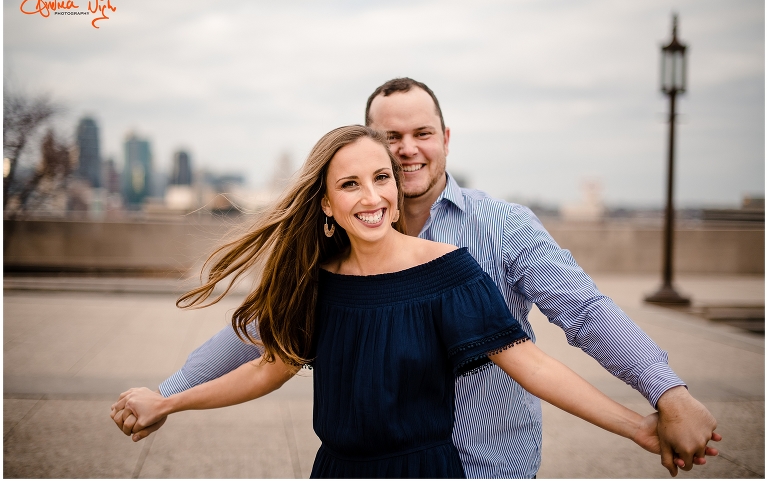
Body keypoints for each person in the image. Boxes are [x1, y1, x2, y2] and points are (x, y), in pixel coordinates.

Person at [112, 78, 720, 478]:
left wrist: (660, 402)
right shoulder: (322, 274)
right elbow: (259, 345)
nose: (405, 153)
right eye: (387, 143)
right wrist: (168, 397)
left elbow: (567, 331)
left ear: (445, 140)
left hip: (483, 465)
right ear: (328, 196)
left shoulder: (487, 240)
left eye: (421, 134)